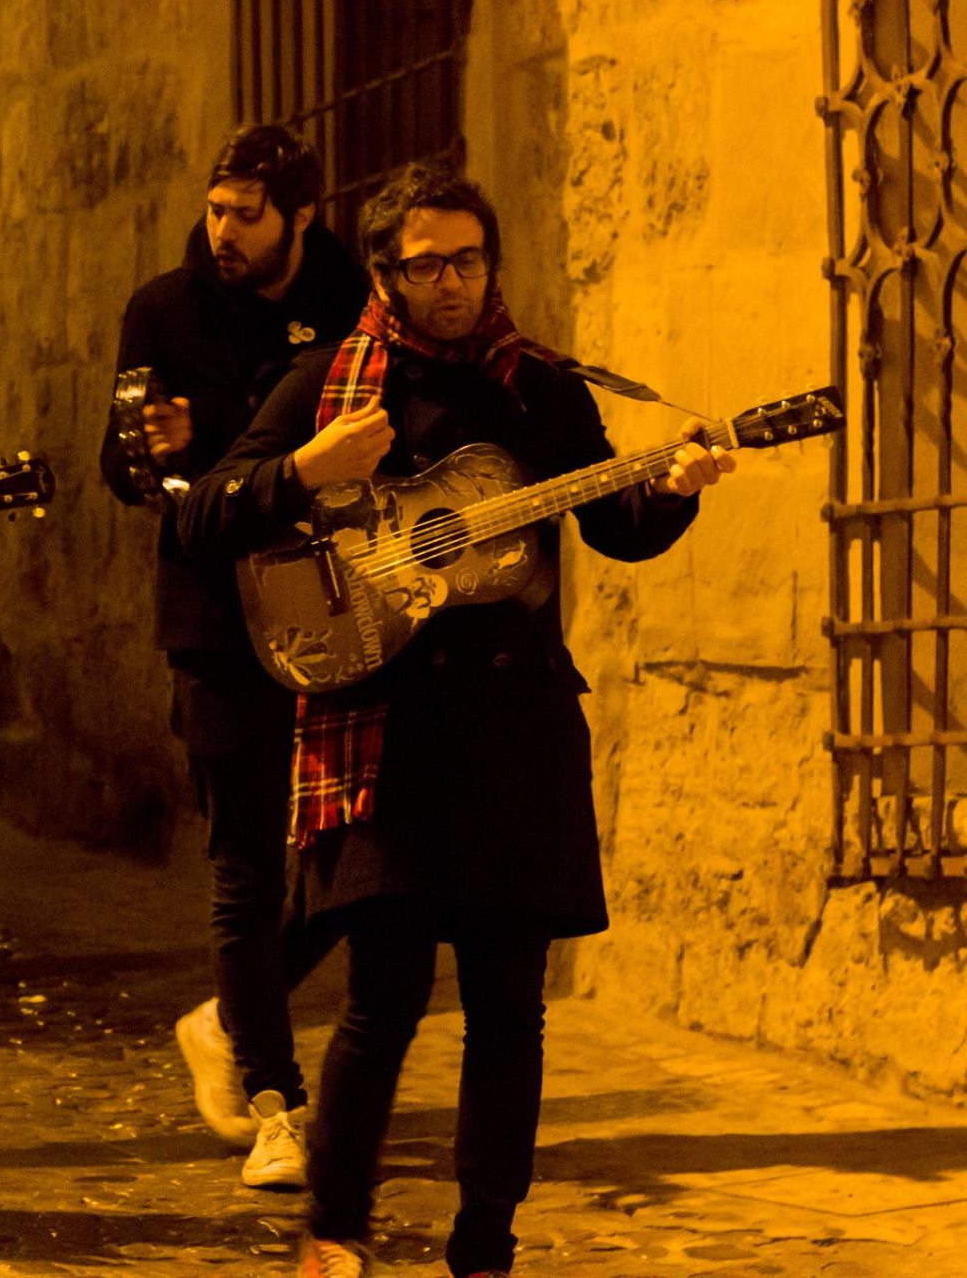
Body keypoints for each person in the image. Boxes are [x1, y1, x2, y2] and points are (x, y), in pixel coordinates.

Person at [177, 164, 735, 1278]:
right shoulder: (327, 382)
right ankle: (333, 1230)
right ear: (385, 272)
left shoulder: (540, 390)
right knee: (381, 998)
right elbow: (204, 520)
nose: (452, 283)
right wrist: (303, 469)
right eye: (426, 264)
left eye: (468, 260)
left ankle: (485, 1242)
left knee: (508, 1009)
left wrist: (671, 488)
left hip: (515, 732)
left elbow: (613, 523)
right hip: (383, 733)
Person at [98, 123, 366, 1188]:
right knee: (245, 860)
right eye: (215, 210)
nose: (223, 232)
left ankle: (227, 1015)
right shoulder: (163, 310)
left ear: (298, 217)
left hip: (344, 602)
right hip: (215, 612)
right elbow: (118, 467)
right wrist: (151, 447)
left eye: (246, 216)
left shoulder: (353, 301)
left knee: (356, 853)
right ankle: (274, 1101)